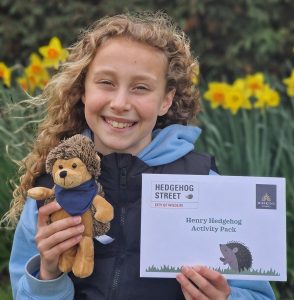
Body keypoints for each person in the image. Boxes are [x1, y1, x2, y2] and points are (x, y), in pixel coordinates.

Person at [7, 11, 275, 300]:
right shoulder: (51, 191)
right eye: (106, 83)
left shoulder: (206, 184)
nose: (120, 103)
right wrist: (48, 274)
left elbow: (259, 294)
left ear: (165, 100)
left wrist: (226, 298)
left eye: (141, 88)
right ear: (83, 90)